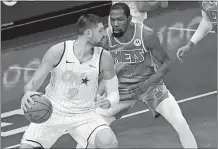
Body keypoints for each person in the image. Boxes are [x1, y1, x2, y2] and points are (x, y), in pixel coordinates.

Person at [97, 3, 198, 148]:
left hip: (150, 86)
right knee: (94, 123)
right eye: (112, 20)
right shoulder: (106, 37)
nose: (115, 24)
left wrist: (146, 84)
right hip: (123, 89)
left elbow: (166, 63)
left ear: (130, 18)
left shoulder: (146, 34)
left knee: (180, 122)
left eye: (120, 20)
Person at [20, 14, 119, 149]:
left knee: (109, 143)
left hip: (84, 114)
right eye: (101, 30)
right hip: (52, 111)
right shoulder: (59, 51)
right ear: (88, 33)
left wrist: (109, 101)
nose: (105, 34)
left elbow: (114, 93)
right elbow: (32, 84)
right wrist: (27, 93)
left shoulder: (104, 57)